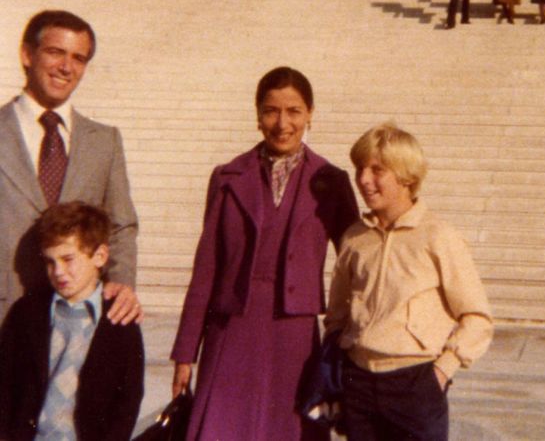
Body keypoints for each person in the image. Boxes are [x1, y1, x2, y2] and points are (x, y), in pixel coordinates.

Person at [170, 66, 359, 441]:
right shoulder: (227, 178)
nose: (282, 123)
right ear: (258, 115)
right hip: (231, 329)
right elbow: (206, 269)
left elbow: (356, 261)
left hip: (294, 336)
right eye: (271, 110)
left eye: (294, 111)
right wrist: (185, 352)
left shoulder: (332, 181)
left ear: (310, 115)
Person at [324, 123, 493, 441]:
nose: (363, 180)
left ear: (406, 176)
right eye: (360, 168)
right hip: (358, 384)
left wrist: (443, 370)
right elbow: (337, 312)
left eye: (377, 170)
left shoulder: (438, 236)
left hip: (415, 386)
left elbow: (477, 317)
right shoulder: (354, 239)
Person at [0, 9, 141, 326]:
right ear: (26, 55)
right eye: (55, 52)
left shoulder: (104, 142)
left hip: (77, 321)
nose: (66, 67)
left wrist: (122, 281)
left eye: (79, 58)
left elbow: (121, 225)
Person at [0, 201, 144, 440]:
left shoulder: (119, 320)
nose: (58, 271)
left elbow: (128, 400)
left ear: (99, 256)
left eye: (68, 259)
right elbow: (5, 384)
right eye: (50, 261)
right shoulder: (26, 314)